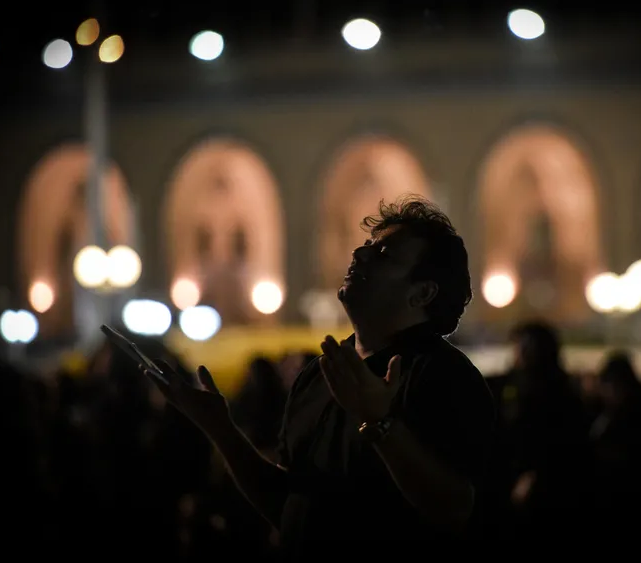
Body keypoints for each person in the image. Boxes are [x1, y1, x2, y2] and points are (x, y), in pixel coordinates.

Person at [140, 196, 495, 555]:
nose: (359, 254)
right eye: (368, 245)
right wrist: (220, 429)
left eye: (384, 254)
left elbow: (456, 510)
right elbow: (289, 504)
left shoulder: (445, 376)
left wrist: (381, 423)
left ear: (422, 293)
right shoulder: (321, 372)